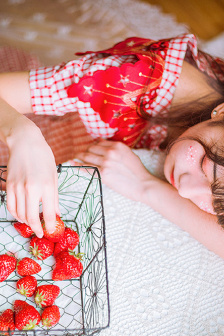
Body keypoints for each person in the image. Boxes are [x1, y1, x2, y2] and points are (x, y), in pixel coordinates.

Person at [0, 33, 224, 257]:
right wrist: (23, 134)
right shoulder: (125, 81)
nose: (184, 190)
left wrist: (148, 187)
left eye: (215, 205)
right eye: (203, 164)